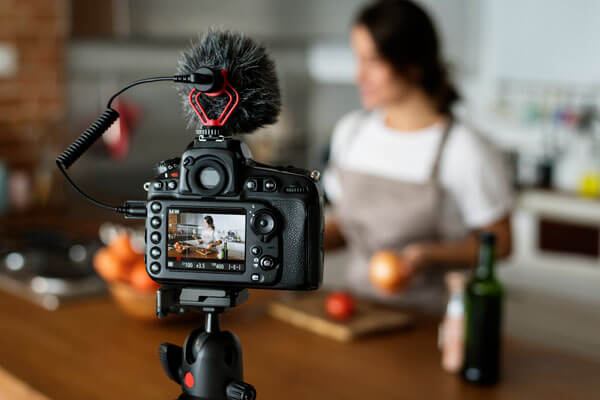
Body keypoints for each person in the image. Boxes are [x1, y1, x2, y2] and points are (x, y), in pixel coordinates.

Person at [323, 0, 513, 310]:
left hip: (431, 321)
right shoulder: (351, 132)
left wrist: (428, 255)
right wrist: (298, 242)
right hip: (358, 310)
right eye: (357, 59)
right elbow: (345, 225)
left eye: (373, 61)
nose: (359, 75)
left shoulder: (465, 149)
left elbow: (501, 243)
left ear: (411, 63)